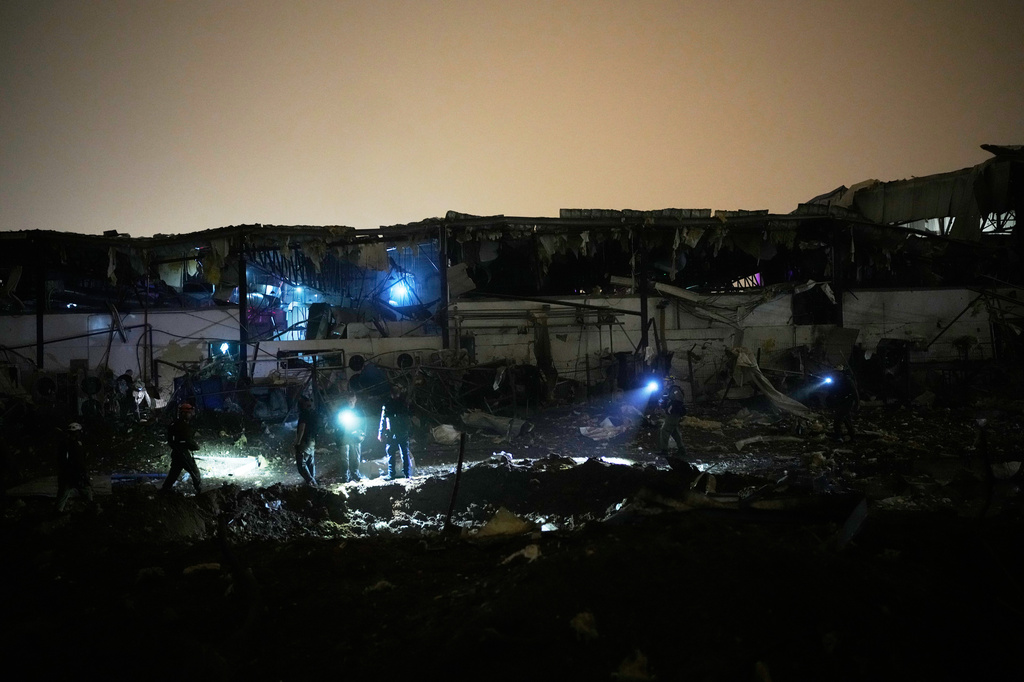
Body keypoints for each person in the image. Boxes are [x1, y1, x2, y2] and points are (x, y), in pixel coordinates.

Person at [161, 403, 202, 494]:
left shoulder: (174, 424)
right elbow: (188, 440)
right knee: (194, 471)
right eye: (190, 413)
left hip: (176, 453)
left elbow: (171, 440)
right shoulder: (183, 426)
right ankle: (199, 491)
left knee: (174, 473)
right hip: (183, 454)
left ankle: (164, 490)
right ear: (184, 413)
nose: (191, 415)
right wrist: (195, 447)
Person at [55, 422, 93, 512]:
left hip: (65, 474)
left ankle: (57, 511)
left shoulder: (64, 443)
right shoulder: (75, 445)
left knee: (63, 494)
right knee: (86, 491)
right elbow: (79, 462)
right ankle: (92, 508)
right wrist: (84, 473)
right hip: (75, 474)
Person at [379, 384, 413, 479]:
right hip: (400, 431)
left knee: (392, 453)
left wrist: (380, 433)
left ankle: (392, 474)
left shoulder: (388, 404)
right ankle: (407, 473)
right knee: (403, 452)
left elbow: (383, 420)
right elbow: (409, 417)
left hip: (393, 432)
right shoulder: (404, 403)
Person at [335, 393, 365, 483]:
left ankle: (355, 474)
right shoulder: (342, 410)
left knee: (355, 457)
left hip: (355, 437)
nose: (350, 402)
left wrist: (361, 434)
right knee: (344, 458)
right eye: (349, 400)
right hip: (344, 437)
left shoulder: (359, 411)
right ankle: (345, 476)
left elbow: (364, 424)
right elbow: (337, 423)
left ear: (356, 399)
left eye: (352, 400)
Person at [826, 364, 860, 441]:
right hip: (840, 402)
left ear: (841, 373)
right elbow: (832, 392)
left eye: (838, 372)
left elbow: (855, 392)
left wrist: (857, 404)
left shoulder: (847, 380)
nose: (836, 374)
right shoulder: (835, 381)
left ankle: (838, 437)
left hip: (848, 401)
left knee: (837, 420)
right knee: (847, 419)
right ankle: (852, 436)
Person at [658, 378, 687, 464]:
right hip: (672, 414)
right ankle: (682, 449)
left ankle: (664, 450)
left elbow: (678, 400)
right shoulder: (669, 390)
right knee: (674, 431)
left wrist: (671, 406)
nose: (663, 382)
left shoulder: (675, 389)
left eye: (665, 381)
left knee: (665, 430)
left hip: (674, 414)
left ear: (669, 382)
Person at [295, 395, 320, 486]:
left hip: (305, 441)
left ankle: (310, 481)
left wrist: (297, 443)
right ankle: (313, 481)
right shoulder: (314, 414)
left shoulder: (304, 414)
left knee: (301, 463)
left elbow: (302, 429)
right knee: (310, 462)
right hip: (312, 441)